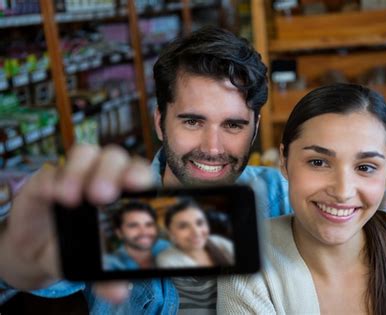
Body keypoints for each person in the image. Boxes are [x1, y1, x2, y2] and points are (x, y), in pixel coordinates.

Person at [0, 26, 291, 314]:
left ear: (254, 130)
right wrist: (16, 257)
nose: (213, 148)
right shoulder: (108, 203)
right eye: (192, 122)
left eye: (232, 125)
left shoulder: (282, 194)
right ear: (159, 122)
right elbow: (29, 271)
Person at [217, 83, 386, 314]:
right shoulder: (249, 262)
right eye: (318, 162)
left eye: (365, 167)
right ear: (284, 161)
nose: (342, 191)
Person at [156, 198, 234, 268]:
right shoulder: (167, 260)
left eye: (200, 223)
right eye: (183, 226)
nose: (196, 232)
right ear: (170, 233)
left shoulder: (218, 241)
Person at [103, 201, 169, 270]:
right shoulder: (112, 264)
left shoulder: (168, 247)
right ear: (119, 233)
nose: (144, 232)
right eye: (133, 226)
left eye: (149, 225)